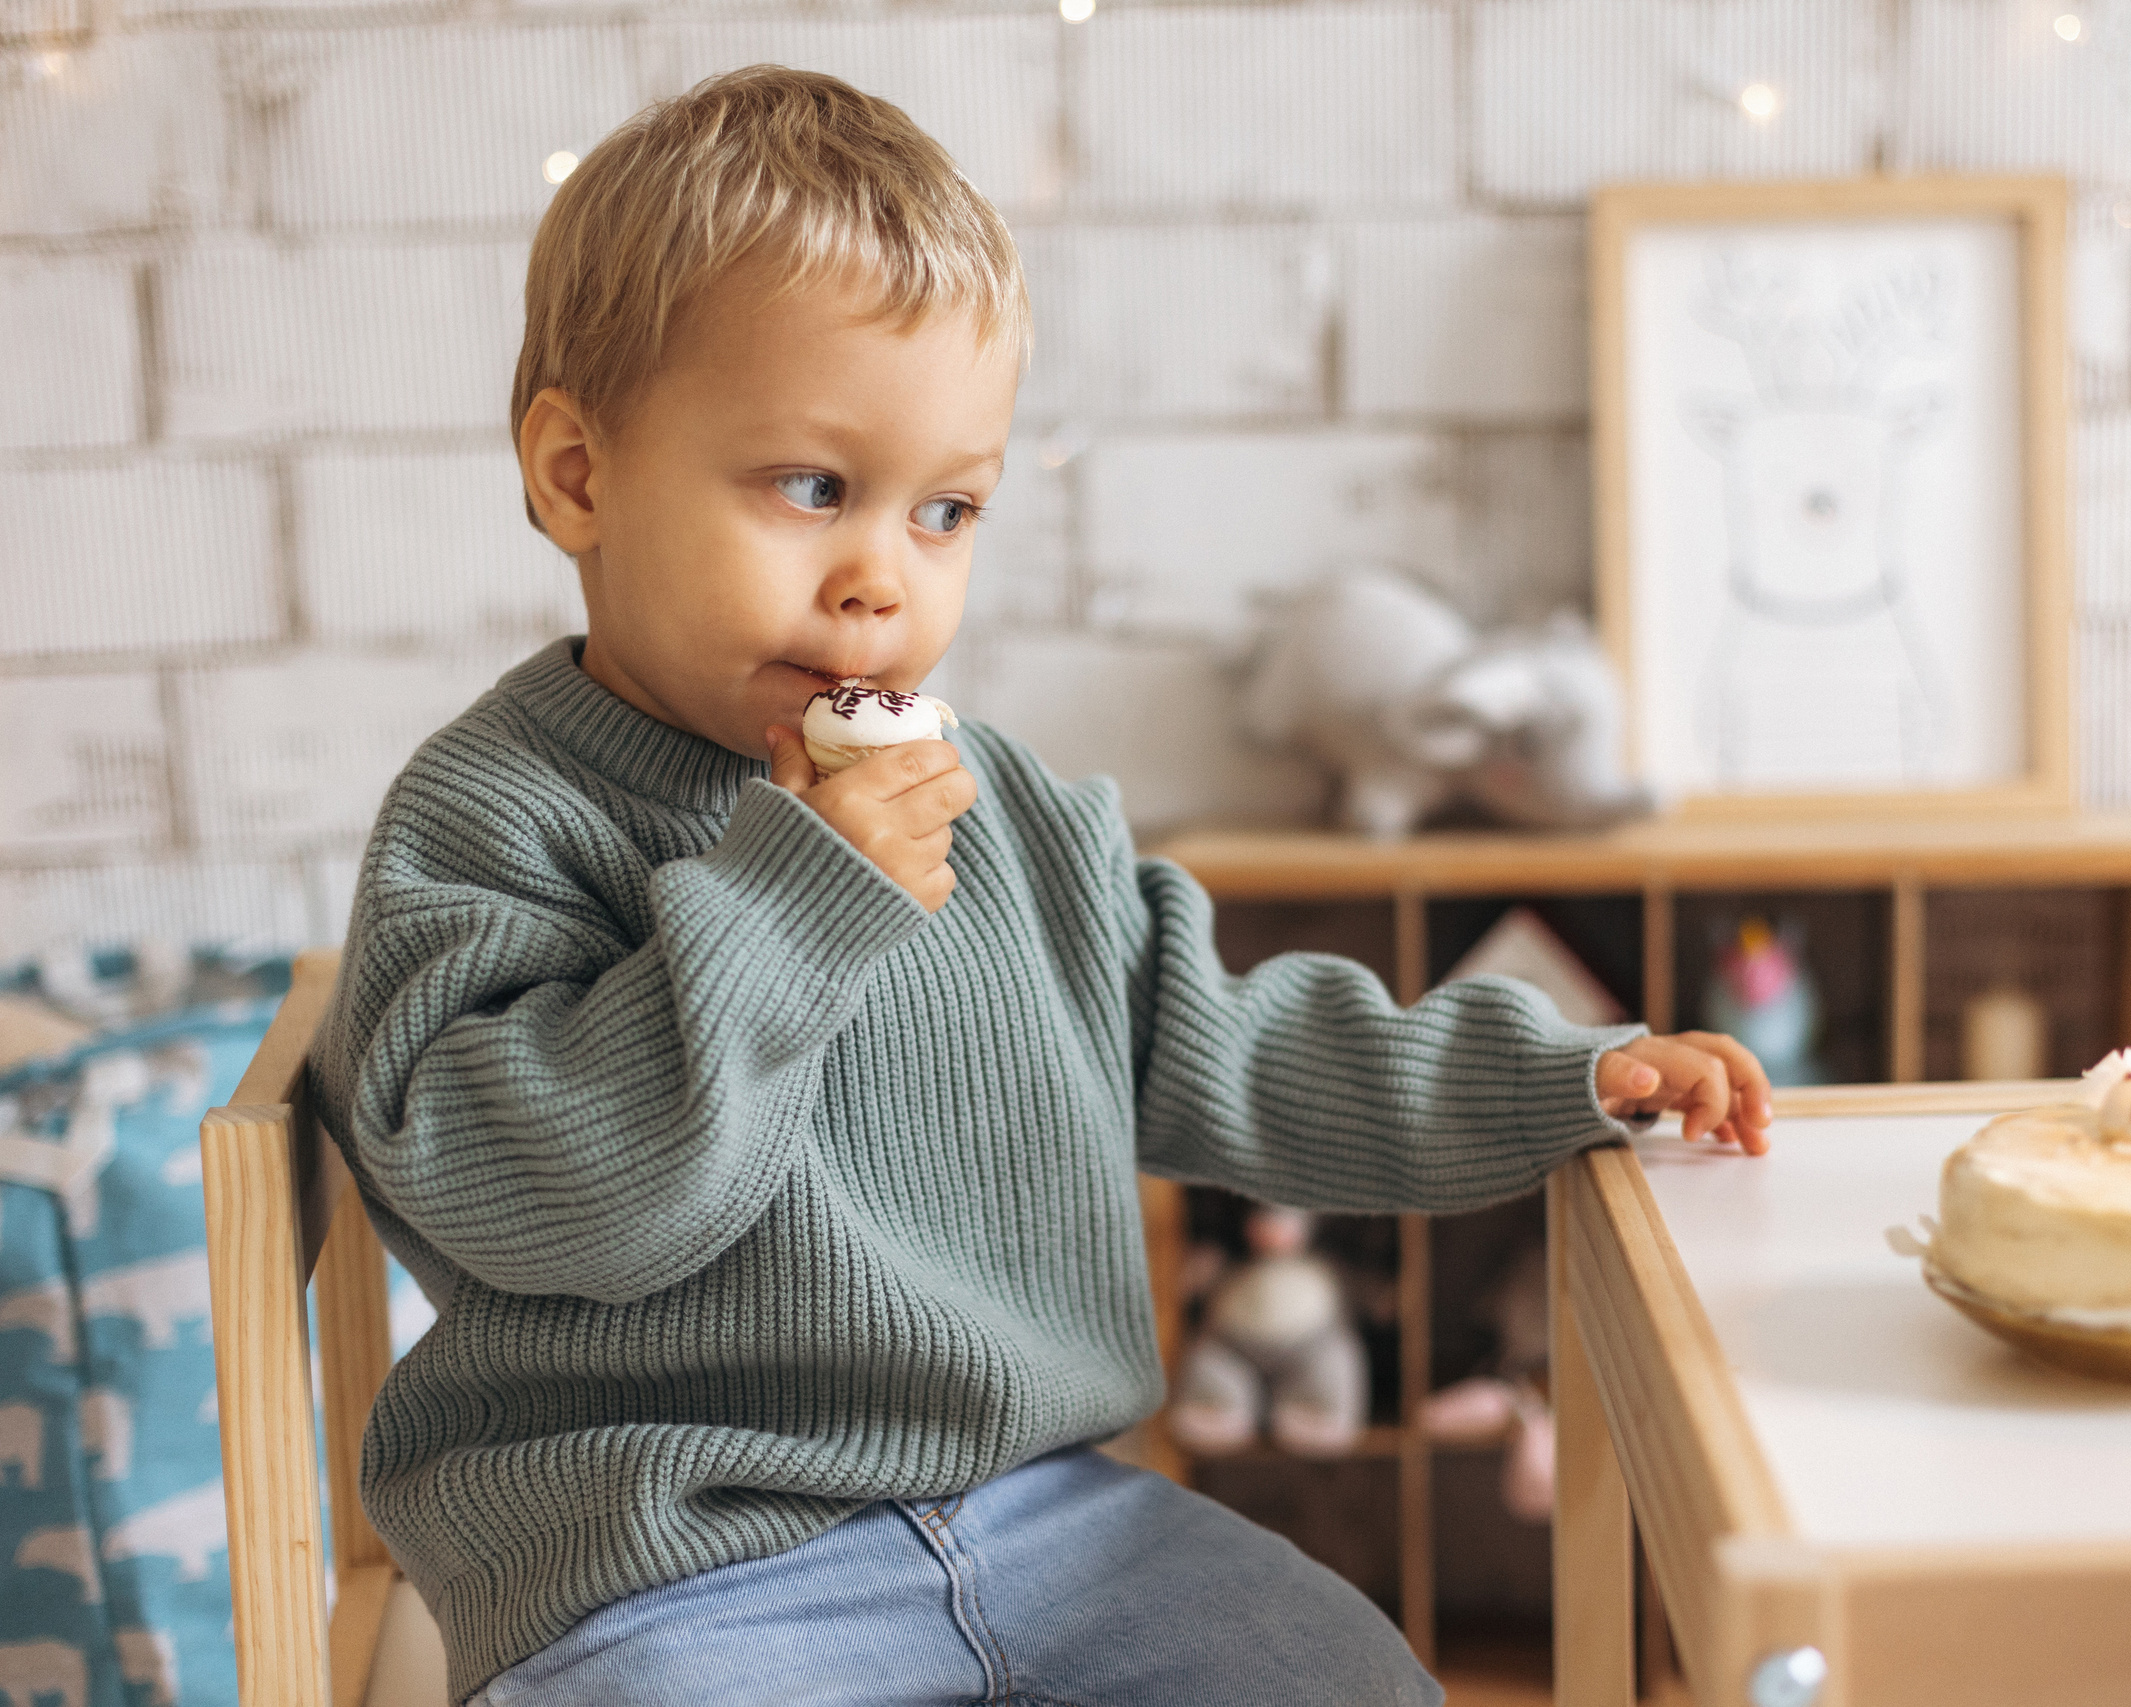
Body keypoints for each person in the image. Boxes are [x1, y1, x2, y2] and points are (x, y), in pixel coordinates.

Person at [310, 65, 1774, 1707]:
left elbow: (1239, 1050)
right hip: (669, 1571)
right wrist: (792, 904)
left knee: (1353, 1678)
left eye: (945, 510)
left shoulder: (1001, 811)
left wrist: (1560, 1078)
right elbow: (576, 1209)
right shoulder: (490, 820)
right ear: (579, 475)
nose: (882, 576)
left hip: (1052, 1517)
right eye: (811, 488)